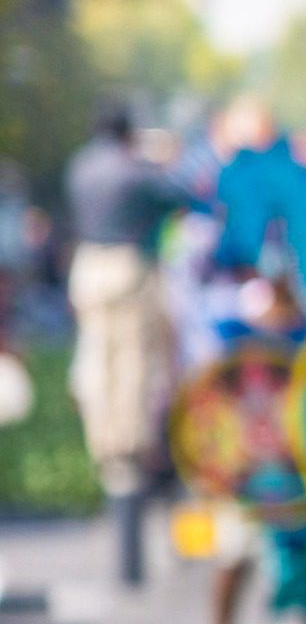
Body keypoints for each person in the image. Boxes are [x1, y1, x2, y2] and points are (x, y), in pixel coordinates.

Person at [64, 104, 182, 537]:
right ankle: (129, 442)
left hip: (88, 266)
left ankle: (104, 442)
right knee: (133, 361)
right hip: (129, 266)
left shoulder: (80, 167)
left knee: (97, 356)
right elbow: (176, 195)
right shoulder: (134, 170)